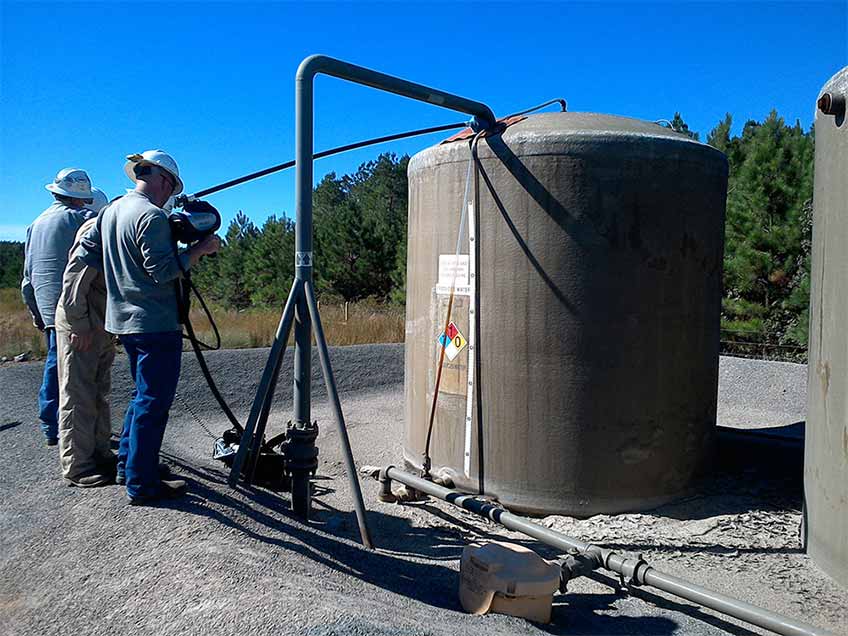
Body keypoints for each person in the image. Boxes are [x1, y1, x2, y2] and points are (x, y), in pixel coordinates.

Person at [79, 150, 220, 504]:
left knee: (141, 395)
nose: (169, 193)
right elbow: (163, 271)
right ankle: (142, 483)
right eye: (170, 186)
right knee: (153, 403)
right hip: (154, 322)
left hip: (124, 321)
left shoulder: (111, 210)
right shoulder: (151, 216)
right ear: (161, 179)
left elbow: (90, 253)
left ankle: (129, 464)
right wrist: (201, 249)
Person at [22, 168, 95, 446]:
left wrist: (35, 312)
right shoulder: (82, 219)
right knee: (71, 370)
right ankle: (68, 427)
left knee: (55, 363)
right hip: (72, 306)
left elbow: (27, 278)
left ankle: (50, 422)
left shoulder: (36, 224)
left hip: (45, 305)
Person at [55, 210, 116, 487]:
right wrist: (79, 325)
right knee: (78, 395)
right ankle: (77, 465)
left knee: (98, 393)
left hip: (100, 323)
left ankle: (99, 453)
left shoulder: (111, 228)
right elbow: (74, 280)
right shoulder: (97, 230)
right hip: (82, 325)